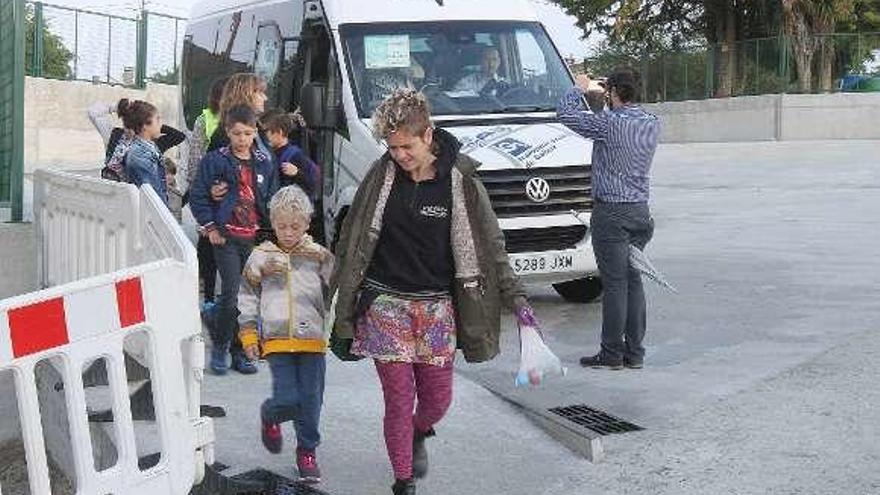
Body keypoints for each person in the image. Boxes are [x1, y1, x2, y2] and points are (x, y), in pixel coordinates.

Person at [329, 89, 537, 495]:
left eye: (407, 146)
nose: (400, 155)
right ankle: (403, 481)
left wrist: (519, 300)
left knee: (438, 399)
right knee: (398, 399)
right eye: (392, 148)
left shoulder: (461, 182)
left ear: (429, 135)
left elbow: (492, 247)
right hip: (385, 305)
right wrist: (337, 298)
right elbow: (352, 240)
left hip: (438, 308)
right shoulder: (381, 176)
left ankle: (419, 431)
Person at [556, 67, 660, 370]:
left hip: (611, 213)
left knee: (614, 284)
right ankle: (635, 352)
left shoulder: (609, 124)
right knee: (633, 281)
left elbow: (565, 113)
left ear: (613, 92)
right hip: (641, 211)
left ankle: (611, 352)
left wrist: (581, 87)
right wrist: (604, 98)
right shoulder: (652, 123)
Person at [238, 185, 333, 484]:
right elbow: (247, 297)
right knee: (289, 398)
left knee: (311, 399)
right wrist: (249, 336)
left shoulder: (320, 256)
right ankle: (271, 414)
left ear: (307, 223)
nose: (288, 232)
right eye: (281, 226)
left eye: (295, 226)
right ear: (273, 223)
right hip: (277, 341)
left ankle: (307, 451)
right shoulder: (261, 257)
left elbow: (336, 294)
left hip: (313, 341)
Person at [190, 104, 279, 376]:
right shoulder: (216, 160)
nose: (242, 139)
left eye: (248, 133)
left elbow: (272, 196)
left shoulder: (264, 161)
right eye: (237, 133)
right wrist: (210, 227)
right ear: (227, 132)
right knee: (231, 294)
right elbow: (198, 195)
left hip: (253, 238)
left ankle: (239, 350)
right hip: (226, 237)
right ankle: (220, 347)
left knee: (248, 297)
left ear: (255, 133)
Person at [187, 77, 228, 311]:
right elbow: (195, 161)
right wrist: (202, 192)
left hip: (227, 197)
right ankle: (209, 296)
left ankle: (223, 295)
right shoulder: (205, 121)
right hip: (210, 193)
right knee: (208, 243)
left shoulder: (239, 122)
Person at [88, 98, 186, 163]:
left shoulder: (153, 145)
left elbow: (180, 136)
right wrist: (117, 107)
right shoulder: (114, 135)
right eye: (128, 123)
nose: (130, 129)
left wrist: (154, 124)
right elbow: (93, 112)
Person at [262, 109, 320, 202]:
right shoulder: (267, 151)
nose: (263, 136)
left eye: (266, 132)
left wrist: (297, 173)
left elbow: (312, 184)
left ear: (279, 132)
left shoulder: (295, 156)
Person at [122, 100, 168, 205]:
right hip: (151, 217)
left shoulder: (149, 147)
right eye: (157, 119)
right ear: (145, 126)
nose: (161, 123)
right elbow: (154, 197)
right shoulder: (139, 156)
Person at [164, 157, 184, 223]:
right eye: (167, 174)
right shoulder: (162, 190)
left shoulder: (176, 188)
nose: (170, 176)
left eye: (172, 173)